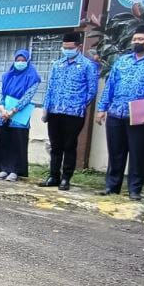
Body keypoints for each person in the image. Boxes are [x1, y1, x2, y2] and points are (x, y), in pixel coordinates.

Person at [95, 24, 144, 200]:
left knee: (138, 153)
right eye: (135, 39)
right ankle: (112, 186)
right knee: (115, 151)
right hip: (116, 112)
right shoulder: (122, 61)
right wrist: (102, 108)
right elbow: (110, 86)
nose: (136, 42)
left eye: (141, 39)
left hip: (141, 115)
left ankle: (134, 189)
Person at [40, 32, 99, 190]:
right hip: (54, 111)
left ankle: (66, 178)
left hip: (74, 113)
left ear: (79, 47)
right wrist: (46, 108)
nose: (67, 50)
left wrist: (78, 105)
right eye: (64, 47)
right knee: (55, 145)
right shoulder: (57, 64)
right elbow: (50, 88)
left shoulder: (88, 65)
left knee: (69, 145)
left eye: (70, 48)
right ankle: (53, 176)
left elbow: (92, 91)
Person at [0, 49, 41, 182]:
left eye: (23, 60)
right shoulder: (7, 76)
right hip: (4, 113)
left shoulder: (32, 77)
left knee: (17, 142)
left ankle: (15, 171)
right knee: (3, 141)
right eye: (17, 60)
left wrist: (13, 110)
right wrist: (2, 109)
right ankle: (3, 169)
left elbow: (28, 96)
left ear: (28, 61)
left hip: (19, 115)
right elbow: (0, 93)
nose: (20, 63)